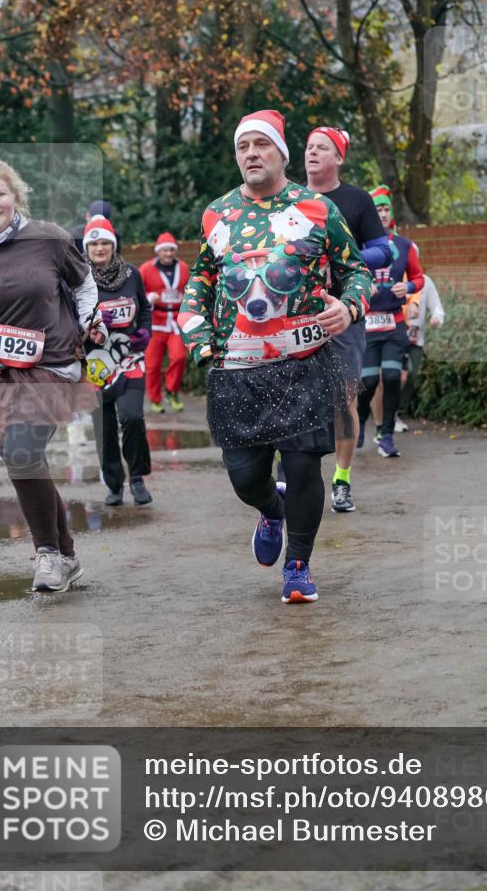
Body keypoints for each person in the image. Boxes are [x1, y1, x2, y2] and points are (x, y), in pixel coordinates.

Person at [178, 109, 371, 604]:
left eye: (261, 145)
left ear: (280, 154)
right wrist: (200, 339)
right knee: (245, 476)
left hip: (303, 361)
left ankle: (299, 566)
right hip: (236, 368)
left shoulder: (317, 209)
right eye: (244, 147)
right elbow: (200, 279)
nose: (251, 155)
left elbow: (357, 272)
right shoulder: (217, 214)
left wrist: (347, 309)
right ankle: (269, 510)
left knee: (304, 468)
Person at [0, 159, 105, 592]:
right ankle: (68, 556)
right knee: (26, 462)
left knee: (22, 452)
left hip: (50, 365)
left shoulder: (50, 239)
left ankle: (48, 557)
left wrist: (88, 321)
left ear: (16, 196)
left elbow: (84, 284)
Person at [305, 126, 391, 513]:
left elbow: (383, 250)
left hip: (343, 314)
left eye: (322, 148)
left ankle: (341, 480)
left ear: (338, 157)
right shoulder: (289, 198)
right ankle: (289, 474)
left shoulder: (355, 200)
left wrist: (346, 258)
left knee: (343, 398)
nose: (312, 153)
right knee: (289, 395)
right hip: (293, 315)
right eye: (308, 147)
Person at [83, 217, 153, 506]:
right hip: (96, 362)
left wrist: (145, 331)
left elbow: (145, 308)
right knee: (105, 427)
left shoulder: (131, 274)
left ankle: (137, 478)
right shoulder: (80, 281)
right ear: (86, 248)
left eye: (104, 243)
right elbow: (67, 320)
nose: (100, 248)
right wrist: (93, 323)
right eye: (94, 244)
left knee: (132, 417)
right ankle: (115, 484)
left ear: (113, 245)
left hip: (130, 357)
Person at [357, 226, 424, 458]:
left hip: (395, 323)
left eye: (386, 208)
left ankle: (386, 435)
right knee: (368, 380)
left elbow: (418, 277)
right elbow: (342, 274)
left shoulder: (404, 245)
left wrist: (407, 287)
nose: (382, 214)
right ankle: (361, 418)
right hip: (368, 325)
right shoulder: (359, 243)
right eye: (378, 209)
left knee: (394, 376)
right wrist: (363, 286)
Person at [139, 232, 190, 413]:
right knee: (152, 364)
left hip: (176, 321)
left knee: (179, 357)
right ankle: (155, 398)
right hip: (155, 322)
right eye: (165, 250)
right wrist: (147, 298)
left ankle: (171, 390)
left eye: (171, 250)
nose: (168, 254)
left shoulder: (183, 268)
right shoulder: (146, 269)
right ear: (158, 252)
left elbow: (191, 290)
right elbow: (136, 294)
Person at [398, 273, 445, 418]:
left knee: (411, 376)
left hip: (415, 339)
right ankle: (388, 414)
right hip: (394, 337)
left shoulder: (425, 282)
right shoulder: (392, 276)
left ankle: (397, 411)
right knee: (396, 375)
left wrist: (436, 318)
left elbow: (437, 307)